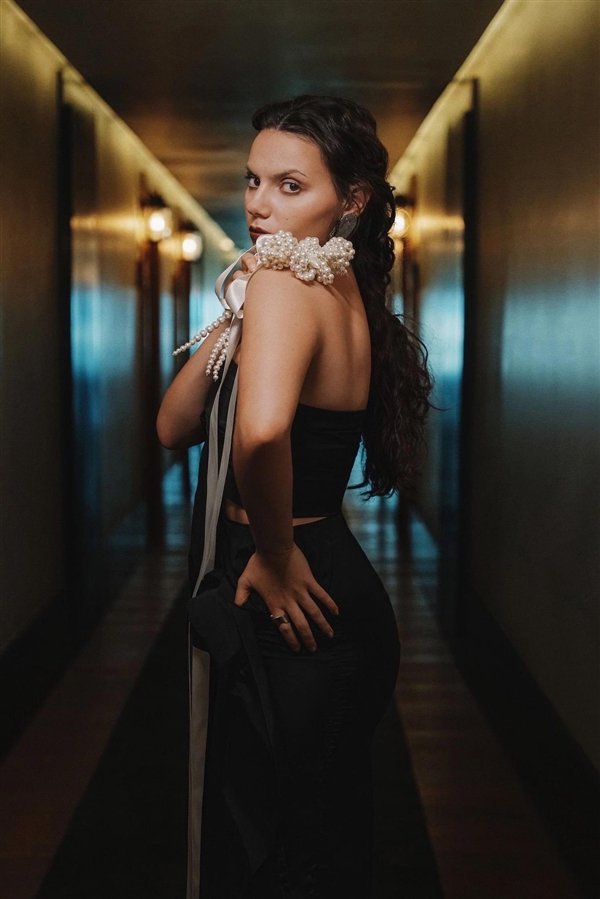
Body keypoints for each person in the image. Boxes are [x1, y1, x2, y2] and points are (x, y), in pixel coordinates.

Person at [157, 94, 433, 899]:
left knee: (280, 851)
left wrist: (274, 553)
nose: (257, 204)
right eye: (252, 180)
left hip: (293, 583)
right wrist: (233, 315)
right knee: (314, 835)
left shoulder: (289, 282)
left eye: (289, 185)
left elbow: (263, 429)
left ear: (351, 201)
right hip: (329, 579)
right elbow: (174, 425)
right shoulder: (331, 288)